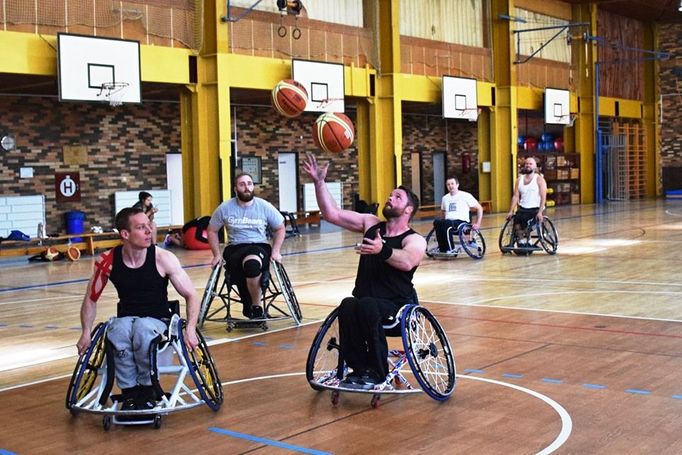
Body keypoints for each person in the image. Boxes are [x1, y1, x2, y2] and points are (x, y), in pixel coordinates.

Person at [303, 154, 426, 389]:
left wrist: (382, 250)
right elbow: (332, 214)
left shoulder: (414, 239)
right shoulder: (371, 224)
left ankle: (377, 372)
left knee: (368, 306)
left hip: (396, 305)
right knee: (348, 305)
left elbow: (407, 261)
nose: (390, 198)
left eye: (397, 197)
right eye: (390, 195)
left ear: (408, 209)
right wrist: (319, 183)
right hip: (364, 300)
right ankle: (359, 369)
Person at [76, 207, 199, 413]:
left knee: (141, 328)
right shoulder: (107, 261)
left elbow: (191, 295)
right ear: (125, 234)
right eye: (141, 228)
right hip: (127, 320)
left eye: (148, 226)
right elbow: (90, 298)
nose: (149, 231)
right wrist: (85, 333)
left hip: (158, 320)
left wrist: (191, 329)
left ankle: (148, 388)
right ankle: (130, 392)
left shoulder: (162, 258)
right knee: (117, 329)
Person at [207, 172, 286, 319]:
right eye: (242, 184)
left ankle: (256, 306)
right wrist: (216, 254)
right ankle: (247, 303)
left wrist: (276, 251)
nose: (247, 187)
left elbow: (280, 228)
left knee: (251, 265)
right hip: (235, 248)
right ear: (235, 188)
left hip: (259, 246)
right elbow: (211, 230)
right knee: (240, 270)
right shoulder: (225, 208)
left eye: (249, 184)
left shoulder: (264, 206)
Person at [433, 176, 484, 252]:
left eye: (452, 184)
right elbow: (443, 211)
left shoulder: (466, 196)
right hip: (448, 222)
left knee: (446, 224)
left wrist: (478, 223)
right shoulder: (445, 198)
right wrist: (442, 221)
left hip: (461, 223)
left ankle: (450, 249)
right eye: (448, 184)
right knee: (437, 222)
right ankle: (442, 248)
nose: (450, 186)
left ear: (457, 185)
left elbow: (479, 208)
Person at [506, 156, 548, 245]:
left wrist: (540, 212)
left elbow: (543, 197)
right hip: (523, 208)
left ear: (535, 167)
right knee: (516, 222)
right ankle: (521, 241)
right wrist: (510, 211)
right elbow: (516, 196)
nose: (528, 165)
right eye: (526, 164)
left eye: (530, 164)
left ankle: (528, 240)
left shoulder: (539, 180)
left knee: (526, 223)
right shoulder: (519, 179)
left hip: (535, 208)